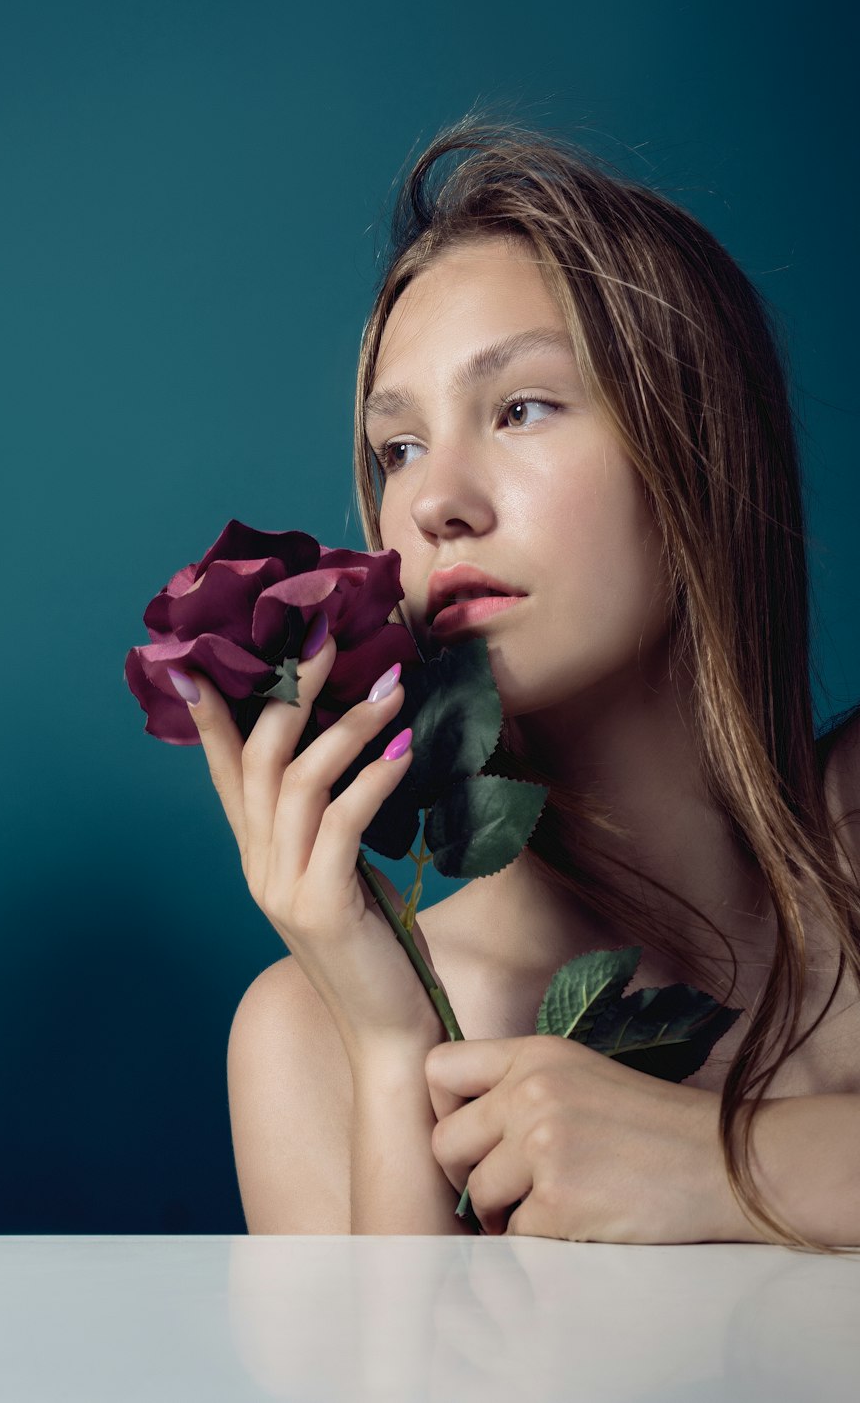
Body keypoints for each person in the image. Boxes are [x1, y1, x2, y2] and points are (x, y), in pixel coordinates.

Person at [185, 116, 860, 1249]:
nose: (435, 500)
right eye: (396, 448)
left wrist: (721, 1169)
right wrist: (392, 1046)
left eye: (521, 408)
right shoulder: (307, 1037)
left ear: (696, 444)